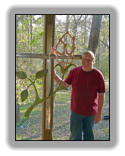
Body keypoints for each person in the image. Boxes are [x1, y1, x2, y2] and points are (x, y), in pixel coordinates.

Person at [54, 50, 105, 140]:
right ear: (81, 60)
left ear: (94, 61)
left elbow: (101, 95)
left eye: (90, 60)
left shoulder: (98, 75)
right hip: (76, 112)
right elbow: (65, 85)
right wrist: (55, 76)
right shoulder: (74, 72)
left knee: (88, 138)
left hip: (90, 113)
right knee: (75, 138)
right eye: (84, 59)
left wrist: (99, 113)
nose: (86, 61)